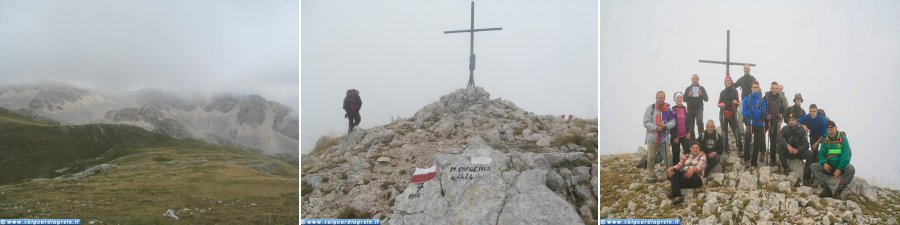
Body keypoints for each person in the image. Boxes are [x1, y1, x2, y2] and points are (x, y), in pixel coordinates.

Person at [811, 121, 855, 200]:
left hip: (840, 168)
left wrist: (840, 169)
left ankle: (838, 191)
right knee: (814, 166)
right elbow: (821, 154)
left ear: (836, 128)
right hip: (829, 167)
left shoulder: (843, 138)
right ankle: (826, 189)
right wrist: (824, 163)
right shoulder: (825, 140)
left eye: (832, 129)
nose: (830, 131)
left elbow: (846, 155)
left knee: (851, 169)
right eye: (828, 129)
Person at [644, 91, 676, 182]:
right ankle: (650, 176)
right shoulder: (651, 108)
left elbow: (673, 121)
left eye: (663, 97)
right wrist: (655, 128)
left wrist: (666, 126)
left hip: (664, 137)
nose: (661, 99)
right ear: (656, 97)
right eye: (660, 97)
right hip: (652, 137)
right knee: (651, 157)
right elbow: (645, 122)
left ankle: (669, 174)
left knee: (667, 157)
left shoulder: (668, 109)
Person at [778, 112, 814, 185]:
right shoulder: (785, 129)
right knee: (779, 146)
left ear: (796, 121)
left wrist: (797, 150)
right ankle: (786, 168)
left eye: (793, 120)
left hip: (798, 153)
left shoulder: (801, 129)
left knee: (810, 154)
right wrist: (787, 145)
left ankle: (806, 177)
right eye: (790, 120)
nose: (791, 122)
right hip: (788, 152)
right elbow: (779, 138)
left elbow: (806, 144)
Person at [742, 81, 767, 167]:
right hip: (750, 123)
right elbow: (744, 113)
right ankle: (746, 159)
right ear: (751, 88)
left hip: (759, 124)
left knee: (757, 143)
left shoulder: (761, 100)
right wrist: (750, 112)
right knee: (747, 140)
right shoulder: (747, 99)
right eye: (754, 87)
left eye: (757, 87)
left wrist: (763, 113)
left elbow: (765, 112)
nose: (755, 89)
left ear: (759, 88)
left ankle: (754, 162)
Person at [734, 64, 757, 157]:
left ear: (749, 69)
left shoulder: (752, 78)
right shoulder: (742, 79)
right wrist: (728, 81)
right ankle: (742, 132)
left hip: (751, 99)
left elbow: (756, 86)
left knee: (750, 115)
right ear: (743, 69)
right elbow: (735, 85)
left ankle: (750, 130)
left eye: (748, 68)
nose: (746, 69)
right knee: (740, 113)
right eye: (745, 68)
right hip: (744, 100)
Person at [717, 74, 742, 154]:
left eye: (729, 81)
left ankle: (740, 148)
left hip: (732, 113)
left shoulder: (735, 91)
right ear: (724, 82)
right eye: (726, 81)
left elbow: (738, 102)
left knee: (736, 130)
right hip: (723, 113)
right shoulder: (722, 92)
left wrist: (736, 102)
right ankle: (725, 148)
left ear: (731, 82)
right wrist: (721, 104)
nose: (728, 82)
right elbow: (718, 103)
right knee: (724, 131)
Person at [764, 82, 786, 166]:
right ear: (771, 88)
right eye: (773, 88)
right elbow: (763, 107)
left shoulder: (780, 98)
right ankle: (769, 157)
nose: (774, 89)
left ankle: (775, 158)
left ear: (778, 89)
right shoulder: (766, 97)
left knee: (775, 141)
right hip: (768, 121)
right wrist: (766, 115)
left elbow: (783, 110)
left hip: (776, 121)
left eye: (776, 88)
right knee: (770, 139)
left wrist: (782, 115)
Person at [684, 74, 708, 139]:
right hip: (690, 109)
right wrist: (688, 95)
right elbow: (684, 99)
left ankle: (701, 138)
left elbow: (706, 99)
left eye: (696, 79)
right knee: (691, 126)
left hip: (699, 109)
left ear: (698, 80)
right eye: (693, 79)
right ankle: (693, 143)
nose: (695, 80)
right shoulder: (688, 88)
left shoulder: (702, 88)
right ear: (691, 80)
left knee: (699, 121)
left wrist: (701, 94)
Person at [670, 92, 691, 166]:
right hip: (676, 137)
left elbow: (689, 121)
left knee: (687, 152)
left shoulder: (685, 109)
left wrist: (689, 132)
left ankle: (686, 168)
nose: (679, 99)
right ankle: (676, 171)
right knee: (676, 154)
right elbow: (671, 124)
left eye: (680, 98)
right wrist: (675, 136)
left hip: (685, 135)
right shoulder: (672, 110)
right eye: (677, 98)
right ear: (675, 99)